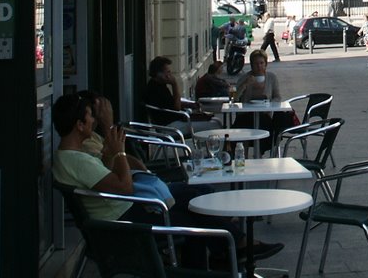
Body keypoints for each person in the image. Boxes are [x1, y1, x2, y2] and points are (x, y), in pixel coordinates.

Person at [51, 93, 281, 263]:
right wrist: (118, 151)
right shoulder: (76, 160)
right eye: (90, 117)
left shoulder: (69, 156)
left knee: (196, 206)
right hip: (126, 219)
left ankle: (230, 252)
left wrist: (116, 154)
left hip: (124, 213)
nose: (93, 121)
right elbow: (125, 187)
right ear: (79, 125)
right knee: (196, 218)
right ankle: (232, 250)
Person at [145, 57, 217, 132]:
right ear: (159, 74)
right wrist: (174, 84)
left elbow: (171, 102)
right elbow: (177, 107)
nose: (170, 75)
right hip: (170, 126)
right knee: (214, 124)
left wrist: (190, 105)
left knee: (213, 119)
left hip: (174, 120)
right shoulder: (155, 89)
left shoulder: (159, 85)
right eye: (168, 72)